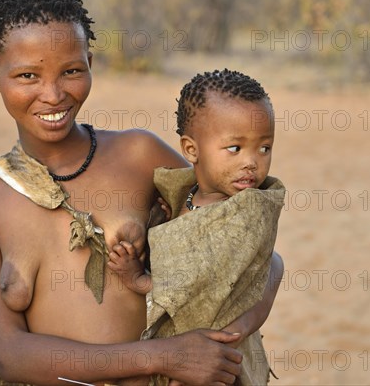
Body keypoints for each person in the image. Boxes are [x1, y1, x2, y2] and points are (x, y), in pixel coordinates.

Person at [0, 0, 282, 386]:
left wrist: (232, 334)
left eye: (71, 70)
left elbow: (255, 245)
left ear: (90, 65)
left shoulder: (139, 156)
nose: (53, 94)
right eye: (28, 77)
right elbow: (11, 355)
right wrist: (164, 356)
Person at [108, 69, 285, 385]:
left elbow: (196, 282)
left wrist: (137, 280)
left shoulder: (245, 212)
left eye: (265, 147)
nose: (252, 162)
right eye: (235, 148)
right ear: (191, 150)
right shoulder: (185, 197)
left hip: (218, 362)